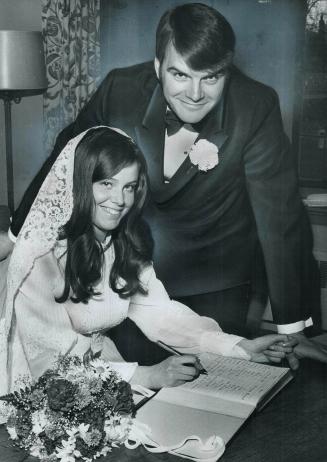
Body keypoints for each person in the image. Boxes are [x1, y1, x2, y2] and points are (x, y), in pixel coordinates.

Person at [0, 3, 325, 367]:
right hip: (127, 268)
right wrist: (16, 237)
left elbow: (279, 219)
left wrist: (291, 328)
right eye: (181, 75)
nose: (196, 93)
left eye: (211, 77)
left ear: (228, 72)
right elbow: (64, 157)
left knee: (216, 389)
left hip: (213, 277)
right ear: (158, 67)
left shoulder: (255, 106)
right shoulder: (120, 89)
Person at [0, 127, 293, 403]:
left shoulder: (122, 244)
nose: (119, 200)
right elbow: (51, 362)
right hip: (33, 391)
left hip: (103, 376)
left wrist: (239, 347)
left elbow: (163, 315)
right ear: (80, 183)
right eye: (106, 184)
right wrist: (148, 375)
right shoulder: (38, 258)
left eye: (129, 187)